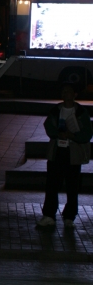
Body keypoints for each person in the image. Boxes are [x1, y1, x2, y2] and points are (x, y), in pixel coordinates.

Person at [37, 84, 92, 229]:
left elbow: (87, 133)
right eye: (63, 91)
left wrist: (73, 136)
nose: (65, 93)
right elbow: (49, 126)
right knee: (52, 184)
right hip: (57, 151)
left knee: (73, 186)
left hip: (73, 152)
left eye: (68, 91)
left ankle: (69, 216)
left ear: (75, 94)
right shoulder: (56, 110)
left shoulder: (81, 112)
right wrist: (57, 133)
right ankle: (49, 215)